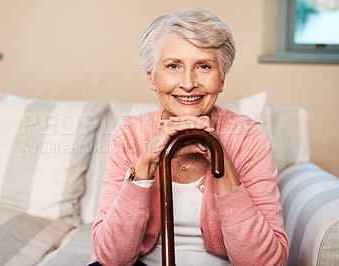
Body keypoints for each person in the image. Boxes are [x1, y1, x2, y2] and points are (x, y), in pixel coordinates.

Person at [91, 8, 288, 266]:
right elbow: (111, 258)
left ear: (222, 78)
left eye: (203, 66)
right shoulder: (129, 134)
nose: (188, 83)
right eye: (173, 66)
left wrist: (224, 164)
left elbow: (266, 263)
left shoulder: (249, 137)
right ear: (151, 77)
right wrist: (143, 167)